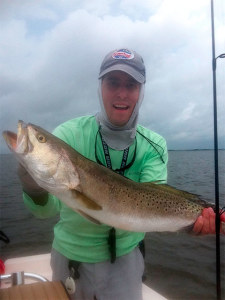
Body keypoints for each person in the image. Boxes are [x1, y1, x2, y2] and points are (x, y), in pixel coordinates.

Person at [18, 48, 225, 300]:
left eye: (131, 84)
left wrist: (193, 222)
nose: (121, 93)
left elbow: (154, 202)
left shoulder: (154, 145)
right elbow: (44, 210)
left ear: (141, 91)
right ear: (100, 86)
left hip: (126, 263)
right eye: (112, 82)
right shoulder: (68, 135)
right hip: (69, 258)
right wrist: (32, 186)